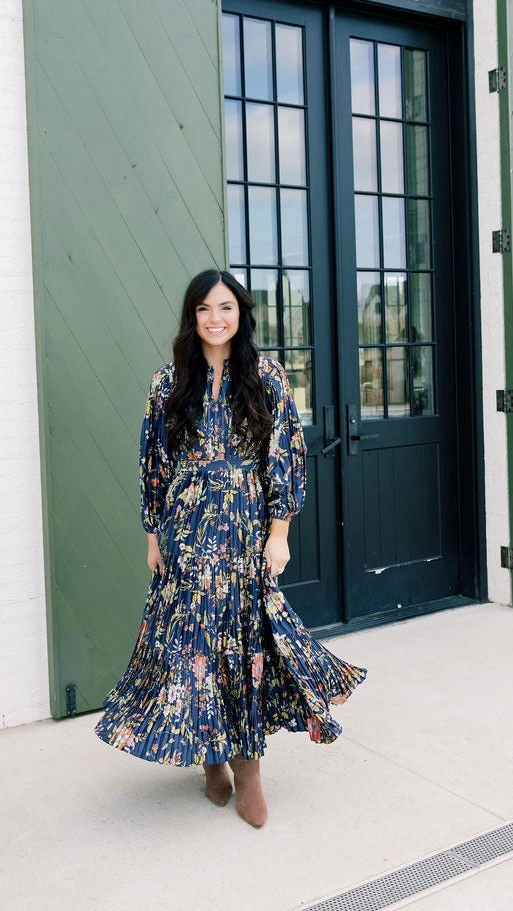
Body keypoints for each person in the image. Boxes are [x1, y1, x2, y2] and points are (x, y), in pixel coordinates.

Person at [94, 269, 366, 828]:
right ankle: (210, 758)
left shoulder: (267, 376)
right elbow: (153, 463)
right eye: (204, 309)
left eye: (225, 308)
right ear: (191, 317)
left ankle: (248, 770)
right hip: (186, 531)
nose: (215, 319)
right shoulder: (167, 382)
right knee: (193, 647)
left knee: (244, 646)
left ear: (241, 314)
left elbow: (285, 456)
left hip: (244, 528)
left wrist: (280, 532)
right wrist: (153, 536)